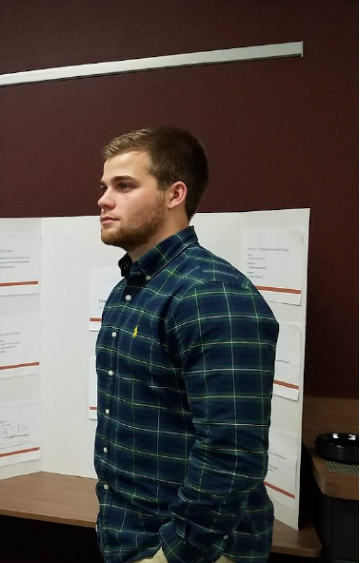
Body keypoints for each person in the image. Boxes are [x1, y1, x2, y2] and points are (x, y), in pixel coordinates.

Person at [94, 127, 278, 563]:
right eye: (103, 187)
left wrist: (174, 554)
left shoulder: (210, 292)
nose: (103, 199)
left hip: (190, 551)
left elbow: (232, 454)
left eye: (124, 186)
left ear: (175, 194)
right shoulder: (133, 289)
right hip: (130, 534)